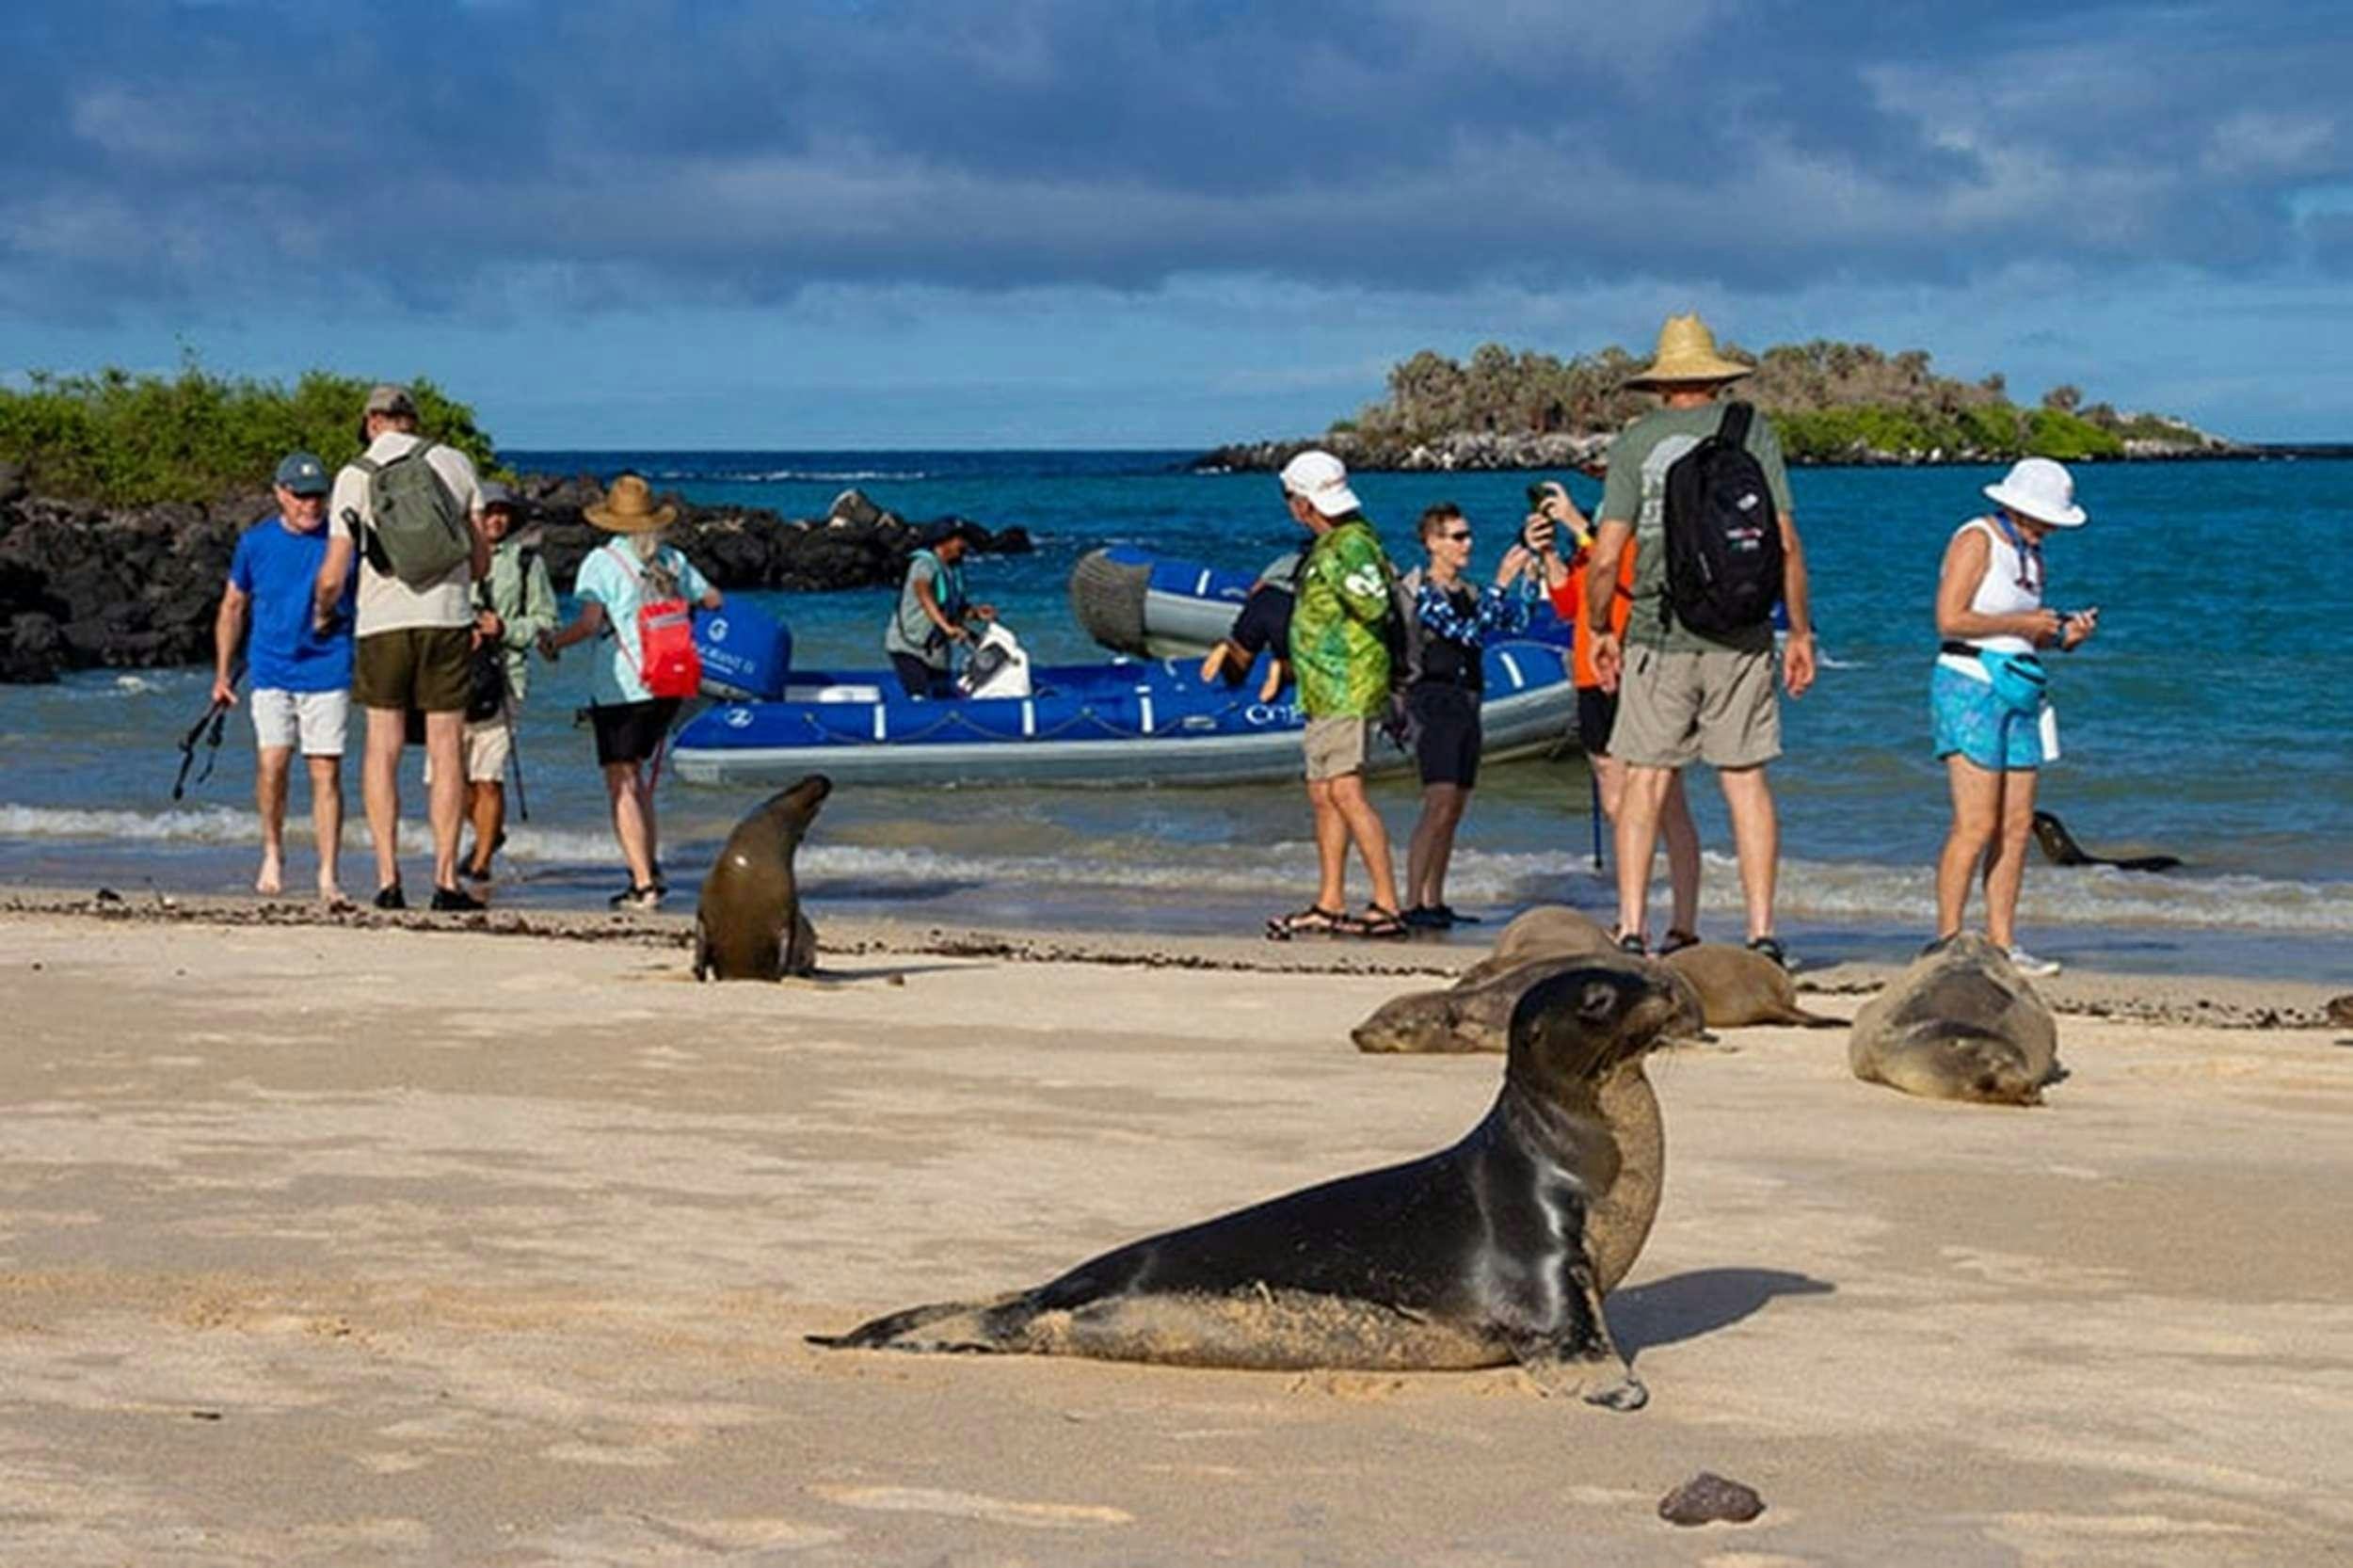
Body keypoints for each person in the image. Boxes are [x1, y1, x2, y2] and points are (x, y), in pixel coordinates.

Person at [1585, 314, 1817, 967]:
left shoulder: (1635, 444)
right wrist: (1799, 631)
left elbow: (1605, 560)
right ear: (1714, 379)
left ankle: (1632, 928)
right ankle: (1761, 934)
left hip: (1659, 633)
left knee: (1646, 781)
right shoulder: (1751, 430)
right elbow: (1787, 543)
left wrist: (1603, 628)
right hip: (1741, 634)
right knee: (1745, 783)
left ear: (1660, 384)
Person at [314, 383, 490, 912]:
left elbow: (335, 569)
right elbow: (481, 560)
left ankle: (389, 879)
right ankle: (445, 880)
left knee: (382, 748)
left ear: (372, 422)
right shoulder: (454, 462)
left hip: (383, 623)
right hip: (447, 619)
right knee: (446, 748)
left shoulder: (355, 475)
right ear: (412, 420)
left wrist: (324, 610)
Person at [1930, 457, 2098, 976]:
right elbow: (1949, 618)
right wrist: (2024, 621)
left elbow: (2019, 630)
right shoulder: (1976, 539)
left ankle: (2003, 941)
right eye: (2041, 517)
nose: (2045, 528)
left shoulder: (2032, 555)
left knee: (2017, 824)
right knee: (1976, 823)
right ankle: (1948, 940)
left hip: (2021, 685)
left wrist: (2063, 636)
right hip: (1970, 684)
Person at [1534, 479, 1705, 949]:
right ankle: (1634, 916)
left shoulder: (1640, 539)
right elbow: (1572, 605)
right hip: (1593, 676)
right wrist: (1550, 555)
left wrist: (1579, 527)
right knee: (1617, 803)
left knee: (1666, 802)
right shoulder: (1590, 548)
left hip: (1640, 669)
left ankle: (1683, 920)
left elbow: (1632, 580)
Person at [540, 473, 722, 910]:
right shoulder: (673, 559)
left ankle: (643, 884)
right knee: (639, 779)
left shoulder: (602, 563)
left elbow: (588, 625)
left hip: (622, 685)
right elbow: (714, 599)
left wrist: (552, 643)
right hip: (671, 681)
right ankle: (649, 868)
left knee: (621, 783)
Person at [1265, 450, 1405, 940]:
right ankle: (1330, 899)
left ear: (1306, 502)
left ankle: (1387, 902)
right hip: (1321, 687)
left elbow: (1373, 602)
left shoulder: (1349, 545)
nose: (1289, 506)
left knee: (1345, 790)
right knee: (1323, 793)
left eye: (1291, 498)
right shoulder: (1331, 544)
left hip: (1348, 684)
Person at [212, 452, 355, 904]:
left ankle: (329, 873)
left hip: (328, 666)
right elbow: (233, 606)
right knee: (273, 764)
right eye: (300, 496)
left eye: (317, 496)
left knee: (324, 770)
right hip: (271, 667)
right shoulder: (256, 543)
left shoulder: (344, 541)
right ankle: (273, 852)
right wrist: (222, 674)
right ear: (280, 494)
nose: (310, 505)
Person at [1399, 503, 1539, 929]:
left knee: (1455, 806)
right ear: (1432, 543)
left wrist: (1527, 584)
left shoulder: (1469, 592)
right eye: (1457, 537)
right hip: (1431, 699)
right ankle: (1412, 901)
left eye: (1468, 535)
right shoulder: (1419, 590)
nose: (1467, 544)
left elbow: (1514, 622)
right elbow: (1466, 633)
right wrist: (1501, 581)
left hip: (1466, 699)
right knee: (1438, 802)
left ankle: (1435, 899)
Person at [449, 480, 557, 893]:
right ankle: (487, 834)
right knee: (453, 780)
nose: (495, 519)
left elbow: (547, 621)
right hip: (452, 677)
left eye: (502, 512)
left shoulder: (527, 563)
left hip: (504, 678)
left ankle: (480, 865)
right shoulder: (454, 556)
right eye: (488, 511)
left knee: (488, 775)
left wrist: (505, 627)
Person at [883, 521, 995, 697]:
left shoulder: (952, 570)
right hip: (908, 646)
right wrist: (946, 627)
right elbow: (924, 594)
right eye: (961, 540)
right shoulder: (923, 565)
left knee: (943, 695)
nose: (965, 545)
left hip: (936, 650)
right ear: (944, 541)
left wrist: (976, 613)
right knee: (919, 694)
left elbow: (955, 609)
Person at [1199, 552, 1296, 702]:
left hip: (1264, 599)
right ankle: (1282, 668)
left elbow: (1256, 586)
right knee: (1304, 666)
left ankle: (1229, 650)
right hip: (1291, 607)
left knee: (1241, 661)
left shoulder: (1293, 557)